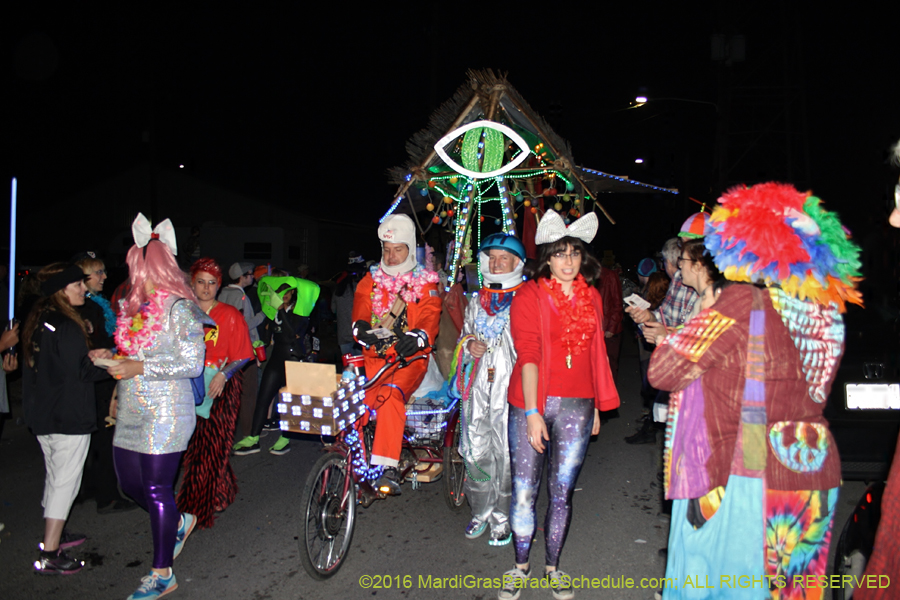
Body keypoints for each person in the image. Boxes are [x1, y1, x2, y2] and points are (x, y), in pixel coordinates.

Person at [649, 183, 860, 599]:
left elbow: (664, 370)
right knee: (793, 590)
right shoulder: (827, 311)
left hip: (746, 466)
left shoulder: (742, 300)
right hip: (812, 466)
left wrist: (689, 328)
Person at [499, 210, 620, 600]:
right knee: (523, 491)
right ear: (548, 258)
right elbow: (528, 354)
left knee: (562, 491)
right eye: (560, 254)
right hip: (530, 404)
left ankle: (553, 566)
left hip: (577, 406)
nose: (568, 262)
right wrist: (533, 412)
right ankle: (520, 566)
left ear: (582, 258)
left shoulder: (593, 296)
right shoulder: (529, 296)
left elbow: (597, 353)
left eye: (574, 254)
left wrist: (599, 406)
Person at [108, 214, 209, 600]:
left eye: (137, 266)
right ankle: (178, 521)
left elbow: (192, 364)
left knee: (155, 488)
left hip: (167, 411)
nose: (132, 273)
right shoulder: (132, 309)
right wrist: (114, 367)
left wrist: (142, 366)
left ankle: (162, 574)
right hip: (133, 406)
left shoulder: (180, 309)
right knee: (129, 484)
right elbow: (128, 354)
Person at [22, 263, 110, 574]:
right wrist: (107, 361)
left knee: (55, 476)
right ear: (61, 289)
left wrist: (90, 356)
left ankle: (55, 533)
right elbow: (81, 372)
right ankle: (50, 552)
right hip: (67, 415)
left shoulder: (42, 320)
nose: (84, 289)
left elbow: (55, 364)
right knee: (65, 482)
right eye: (77, 285)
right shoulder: (67, 325)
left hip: (44, 414)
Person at [351, 214, 441, 494]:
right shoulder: (371, 278)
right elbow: (361, 306)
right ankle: (349, 459)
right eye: (386, 250)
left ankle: (387, 465)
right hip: (374, 359)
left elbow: (430, 314)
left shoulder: (425, 282)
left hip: (409, 360)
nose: (390, 257)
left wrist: (417, 337)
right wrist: (360, 327)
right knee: (352, 402)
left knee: (390, 395)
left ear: (410, 248)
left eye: (398, 249)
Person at [451, 233, 525, 546]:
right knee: (475, 452)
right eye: (491, 258)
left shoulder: (527, 299)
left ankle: (502, 518)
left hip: (512, 391)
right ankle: (480, 511)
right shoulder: (475, 301)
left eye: (503, 258)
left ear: (516, 263)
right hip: (477, 389)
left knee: (507, 457)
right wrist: (469, 347)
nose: (496, 263)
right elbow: (462, 338)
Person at [176, 258, 253, 529]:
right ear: (192, 284)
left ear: (218, 287)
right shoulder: (181, 313)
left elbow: (245, 354)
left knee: (209, 447)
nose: (206, 288)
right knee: (200, 447)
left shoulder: (230, 315)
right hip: (187, 386)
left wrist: (224, 374)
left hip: (221, 386)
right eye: (201, 282)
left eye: (211, 284)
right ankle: (222, 491)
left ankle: (194, 506)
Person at [72, 251, 136, 514]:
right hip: (98, 380)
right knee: (104, 436)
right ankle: (107, 496)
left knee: (93, 436)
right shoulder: (87, 308)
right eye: (98, 272)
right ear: (84, 277)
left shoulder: (93, 304)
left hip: (93, 380)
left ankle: (88, 487)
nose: (105, 276)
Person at [233, 275, 320, 456]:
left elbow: (291, 335)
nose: (284, 295)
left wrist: (280, 309)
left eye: (288, 291)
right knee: (263, 397)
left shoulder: (301, 312)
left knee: (290, 403)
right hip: (276, 359)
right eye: (281, 291)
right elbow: (271, 333)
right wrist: (260, 345)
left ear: (293, 292)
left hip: (294, 360)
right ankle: (253, 438)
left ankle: (285, 437)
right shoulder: (273, 311)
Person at [218, 261, 265, 439]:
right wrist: (263, 315)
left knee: (229, 395)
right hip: (243, 350)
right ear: (242, 277)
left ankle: (225, 432)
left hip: (225, 351)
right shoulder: (241, 297)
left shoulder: (222, 293)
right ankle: (248, 434)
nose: (253, 277)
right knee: (249, 393)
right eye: (250, 274)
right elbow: (244, 324)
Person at [332, 251, 367, 356]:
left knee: (349, 369)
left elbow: (333, 309)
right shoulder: (363, 288)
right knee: (361, 370)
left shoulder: (339, 289)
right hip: (361, 336)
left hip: (343, 335)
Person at [594, 258, 623, 381]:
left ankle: (610, 398)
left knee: (609, 365)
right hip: (594, 329)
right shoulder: (584, 277)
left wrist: (611, 327)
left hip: (608, 330)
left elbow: (617, 303)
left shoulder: (609, 276)